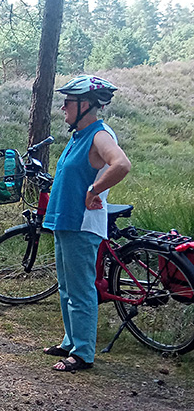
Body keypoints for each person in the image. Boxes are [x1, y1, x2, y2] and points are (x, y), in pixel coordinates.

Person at [42, 75, 131, 372]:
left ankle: (82, 353)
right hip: (64, 220)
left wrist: (94, 191)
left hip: (82, 224)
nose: (63, 106)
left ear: (85, 105)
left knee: (80, 290)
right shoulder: (79, 135)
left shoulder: (99, 134)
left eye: (68, 101)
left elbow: (121, 164)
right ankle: (71, 341)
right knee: (66, 287)